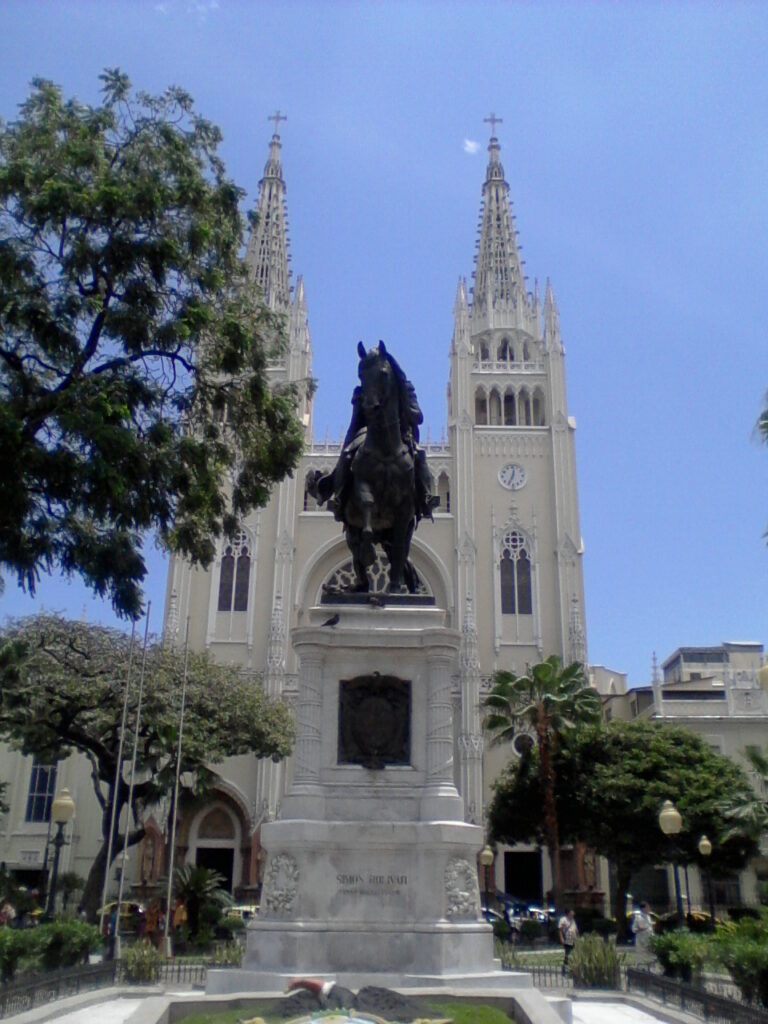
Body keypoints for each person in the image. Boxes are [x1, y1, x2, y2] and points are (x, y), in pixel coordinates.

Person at [631, 901, 655, 967]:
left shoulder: (648, 917)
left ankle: (650, 967)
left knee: (650, 953)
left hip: (649, 937)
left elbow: (650, 928)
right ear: (643, 908)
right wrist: (639, 929)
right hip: (641, 938)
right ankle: (640, 968)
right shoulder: (638, 917)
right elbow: (633, 929)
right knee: (641, 954)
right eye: (647, 908)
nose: (649, 909)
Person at [558, 908, 578, 975]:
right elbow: (560, 930)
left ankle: (572, 969)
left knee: (574, 954)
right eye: (572, 912)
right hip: (567, 938)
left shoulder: (573, 920)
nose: (573, 913)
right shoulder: (563, 920)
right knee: (567, 954)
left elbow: (575, 929)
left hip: (573, 938)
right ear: (568, 913)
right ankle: (564, 969)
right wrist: (561, 938)